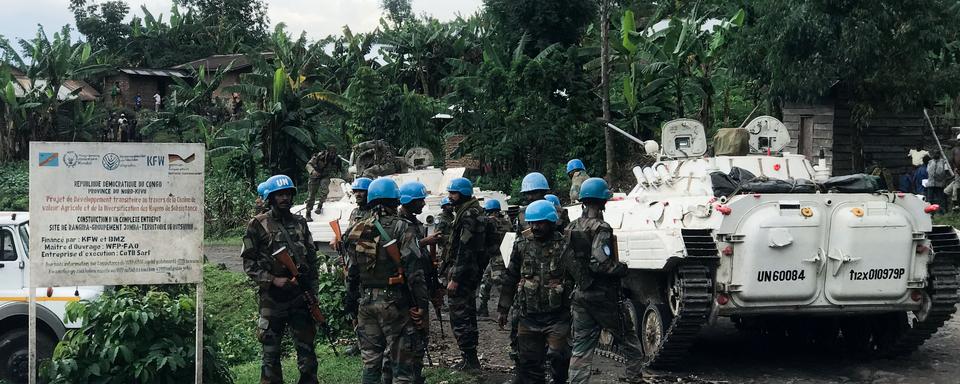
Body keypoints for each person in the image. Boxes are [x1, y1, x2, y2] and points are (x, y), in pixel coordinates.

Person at [343, 177, 430, 384]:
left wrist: (351, 302)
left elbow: (351, 271)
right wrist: (421, 306)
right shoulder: (402, 228)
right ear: (395, 201)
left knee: (371, 364)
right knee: (402, 365)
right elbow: (414, 271)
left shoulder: (356, 229)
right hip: (394, 303)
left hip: (366, 303)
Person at [240, 175, 321, 384]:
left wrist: (313, 293)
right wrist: (272, 280)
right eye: (279, 195)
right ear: (270, 198)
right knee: (270, 351)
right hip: (272, 298)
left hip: (300, 296)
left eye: (287, 194)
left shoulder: (300, 222)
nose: (285, 198)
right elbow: (249, 264)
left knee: (307, 350)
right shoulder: (257, 225)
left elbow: (312, 259)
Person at [567, 178, 643, 384]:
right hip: (604, 296)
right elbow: (599, 262)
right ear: (602, 202)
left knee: (581, 347)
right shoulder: (602, 228)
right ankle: (634, 378)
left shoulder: (572, 227)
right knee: (629, 339)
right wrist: (621, 269)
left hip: (580, 294)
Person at [497, 200, 574, 384]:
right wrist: (503, 309)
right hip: (529, 317)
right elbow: (510, 277)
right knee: (529, 365)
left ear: (551, 222)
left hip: (557, 317)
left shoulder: (564, 245)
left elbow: (577, 277)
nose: (535, 227)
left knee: (559, 358)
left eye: (539, 223)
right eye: (532, 223)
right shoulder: (522, 245)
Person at [398, 181, 445, 384]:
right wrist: (426, 242)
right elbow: (403, 251)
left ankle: (416, 373)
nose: (423, 204)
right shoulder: (399, 223)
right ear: (409, 201)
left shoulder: (414, 222)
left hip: (422, 281)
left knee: (421, 331)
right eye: (420, 200)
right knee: (412, 333)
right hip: (408, 285)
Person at [443, 177, 487, 372]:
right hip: (469, 272)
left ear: (462, 194)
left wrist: (455, 278)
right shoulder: (470, 211)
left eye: (453, 193)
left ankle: (470, 359)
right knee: (466, 313)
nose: (450, 197)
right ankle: (469, 357)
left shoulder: (468, 214)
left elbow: (465, 249)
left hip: (463, 274)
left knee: (460, 315)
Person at [477, 199, 512, 318]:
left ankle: (511, 309)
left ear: (496, 212)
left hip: (500, 257)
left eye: (490, 212)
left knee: (500, 283)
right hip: (495, 257)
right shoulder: (504, 221)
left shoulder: (501, 222)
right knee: (485, 281)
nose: (488, 215)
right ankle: (483, 307)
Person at [304, 146, 339, 221]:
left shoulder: (335, 159)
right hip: (314, 176)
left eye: (334, 153)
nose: (332, 155)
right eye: (331, 153)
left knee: (325, 191)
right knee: (311, 195)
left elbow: (339, 168)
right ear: (327, 151)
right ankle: (308, 212)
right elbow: (308, 165)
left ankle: (319, 206)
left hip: (325, 176)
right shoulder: (319, 156)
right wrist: (313, 171)